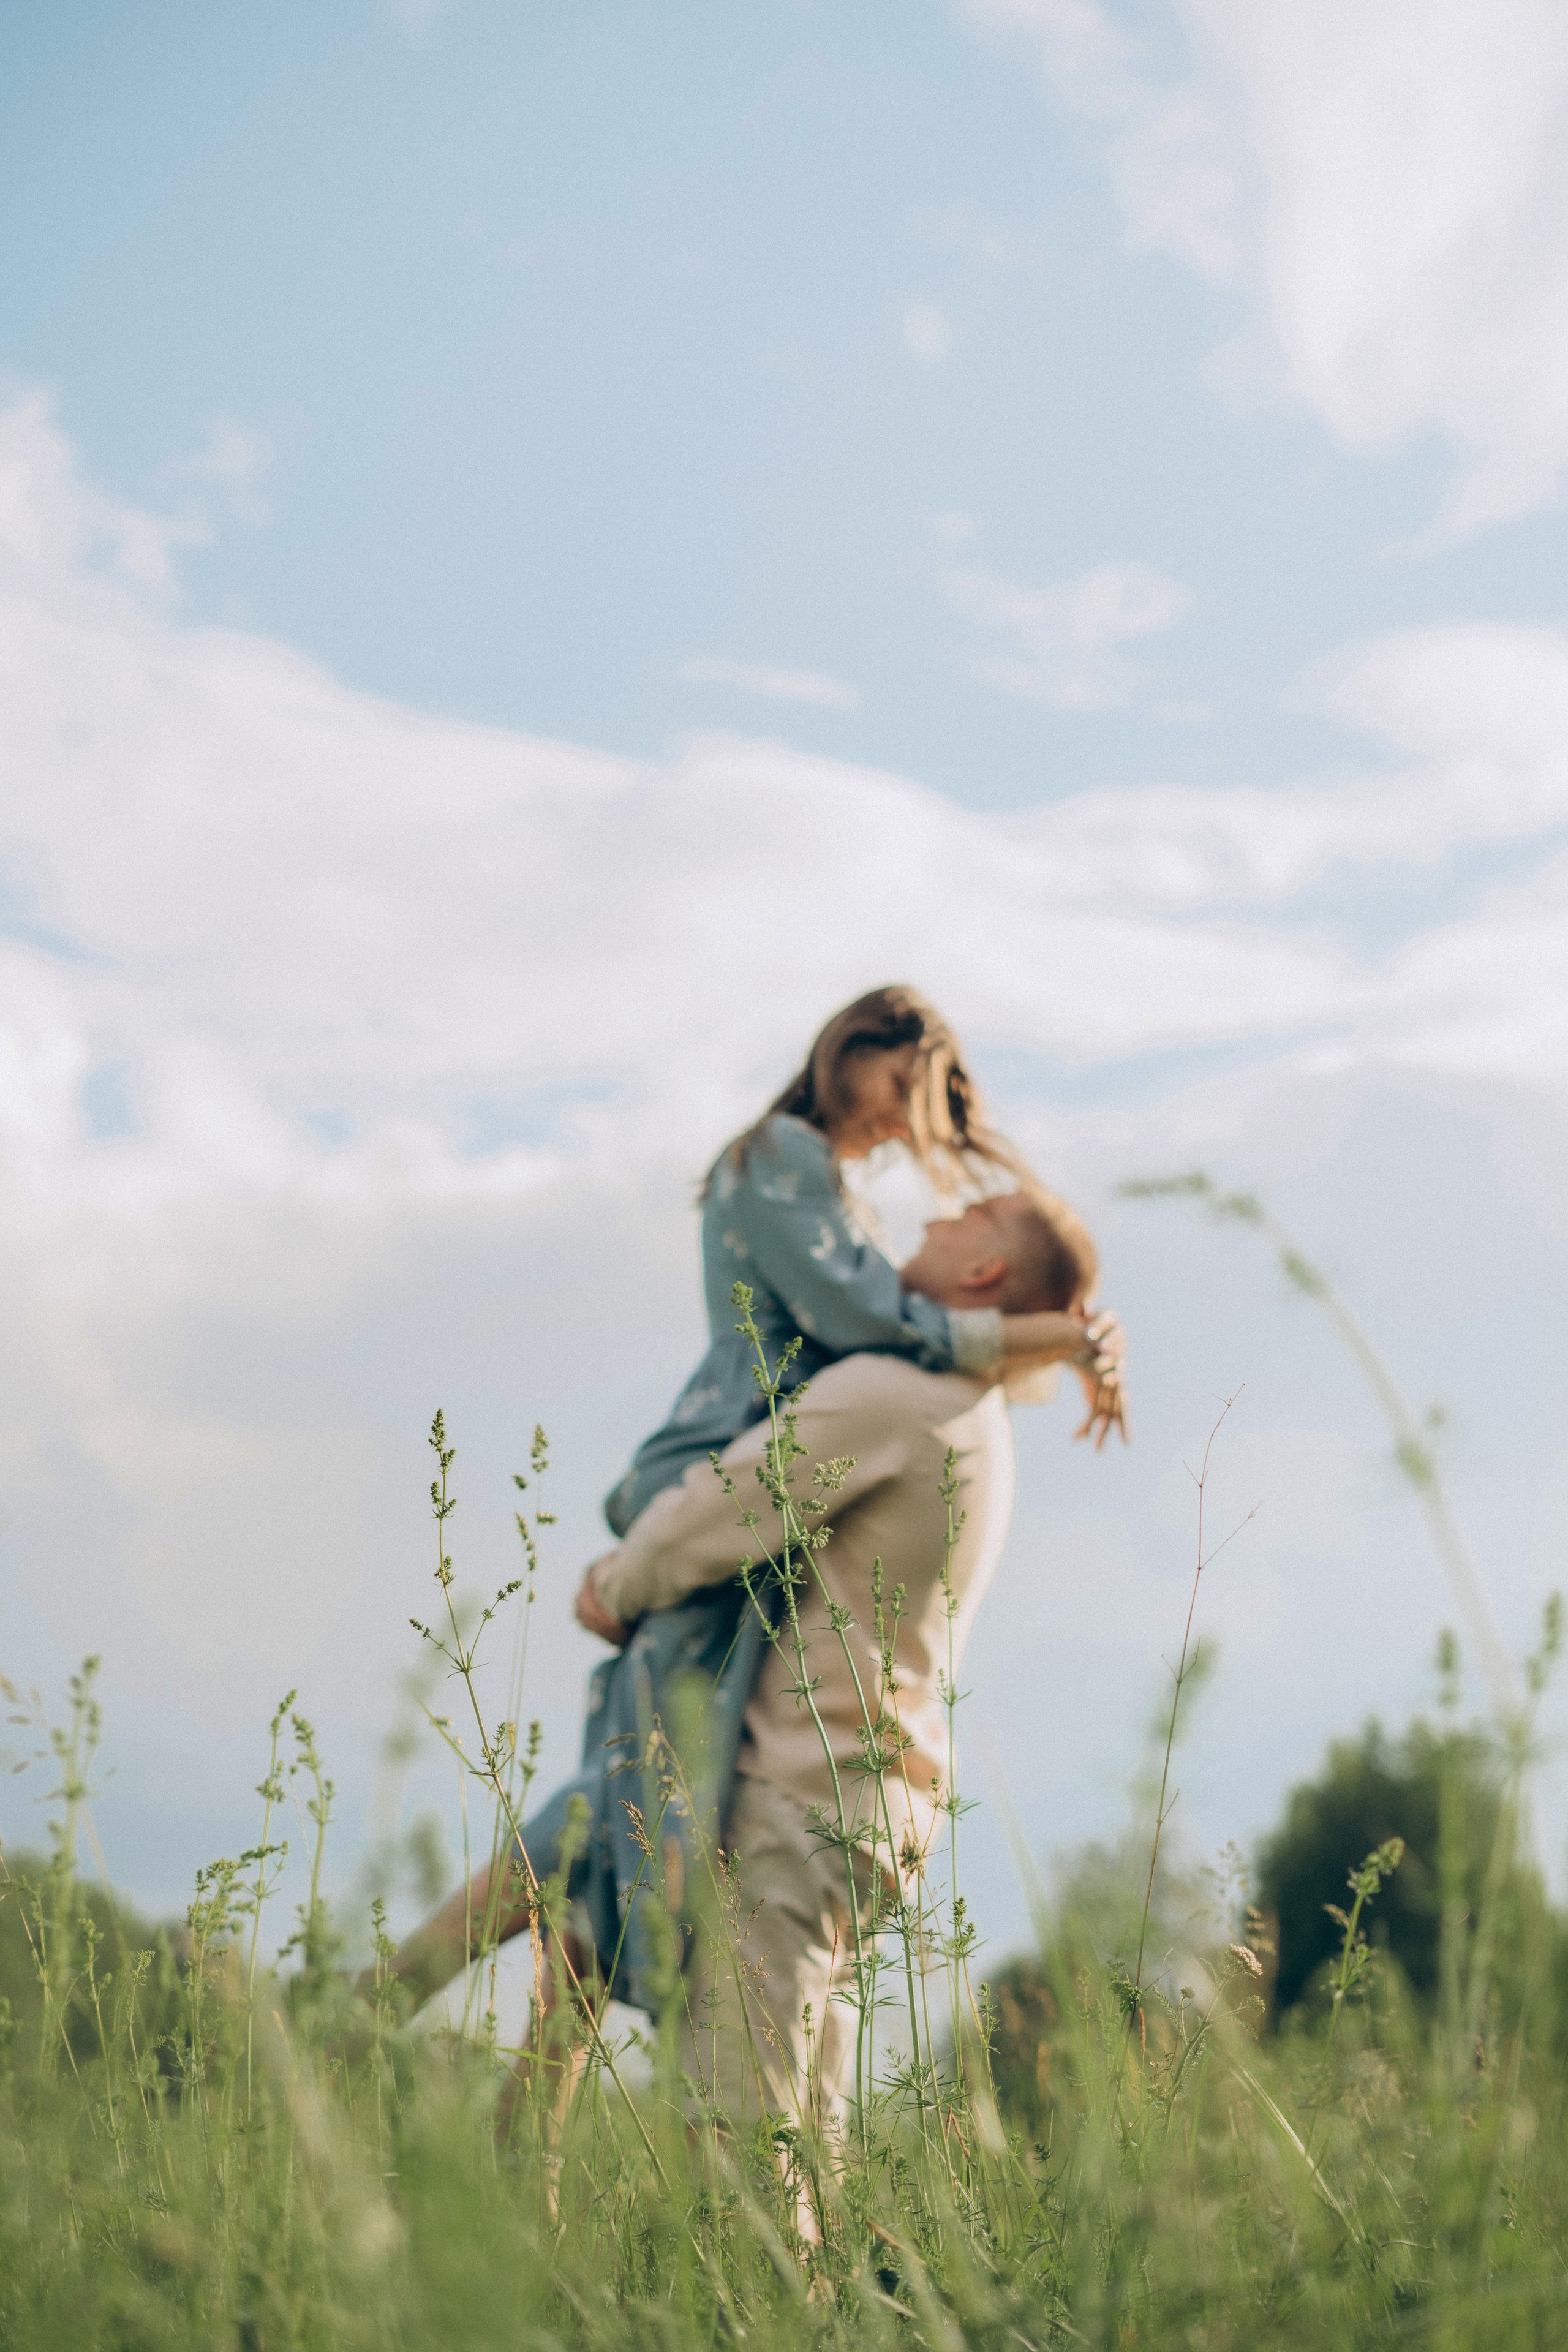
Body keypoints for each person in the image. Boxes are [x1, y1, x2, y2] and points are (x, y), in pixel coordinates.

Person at [376, 988, 1125, 2030]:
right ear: (851, 1052)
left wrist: (1045, 1338)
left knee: (647, 1810)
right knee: (628, 1797)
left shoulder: (834, 1192)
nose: (910, 1123)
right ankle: (381, 2002)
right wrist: (1041, 1336)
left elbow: (880, 1327)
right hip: (734, 1461)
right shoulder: (780, 1155)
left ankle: (519, 2134)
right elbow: (863, 1316)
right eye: (905, 1086)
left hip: (775, 1499)